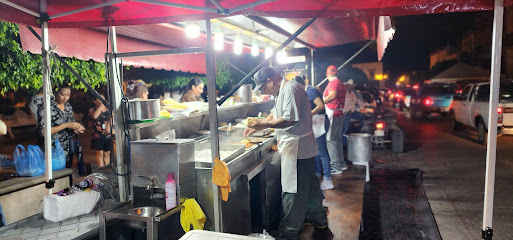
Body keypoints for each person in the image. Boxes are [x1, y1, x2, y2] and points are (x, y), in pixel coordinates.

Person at [245, 67, 328, 239]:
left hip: (298, 148)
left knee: (293, 192)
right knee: (310, 187)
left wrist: (263, 125)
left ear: (270, 80)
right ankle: (319, 220)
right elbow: (276, 114)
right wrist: (258, 125)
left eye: (263, 87)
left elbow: (289, 119)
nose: (263, 91)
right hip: (299, 147)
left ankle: (288, 233)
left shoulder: (290, 88)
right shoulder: (283, 90)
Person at [294, 76, 333, 190]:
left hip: (319, 122)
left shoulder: (310, 91)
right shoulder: (306, 91)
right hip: (315, 122)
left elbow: (320, 105)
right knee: (315, 150)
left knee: (321, 151)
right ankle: (317, 174)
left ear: (300, 85)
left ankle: (328, 179)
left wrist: (307, 114)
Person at [37, 85, 86, 174]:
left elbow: (70, 124)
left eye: (68, 95)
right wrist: (67, 125)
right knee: (56, 175)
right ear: (55, 93)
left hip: (67, 148)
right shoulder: (46, 107)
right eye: (63, 95)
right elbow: (44, 131)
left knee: (67, 174)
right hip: (53, 149)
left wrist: (76, 128)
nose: (65, 98)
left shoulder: (67, 107)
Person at [322, 65, 348, 175]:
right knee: (337, 140)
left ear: (327, 74)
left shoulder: (333, 83)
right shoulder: (341, 83)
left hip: (334, 114)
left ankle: (335, 167)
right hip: (340, 113)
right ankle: (341, 164)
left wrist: (321, 103)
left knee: (330, 141)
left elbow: (333, 95)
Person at [89, 94, 112, 168]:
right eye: (99, 99)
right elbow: (94, 116)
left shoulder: (109, 109)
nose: (102, 100)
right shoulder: (93, 109)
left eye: (103, 99)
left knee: (107, 153)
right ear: (95, 101)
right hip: (98, 134)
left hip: (108, 134)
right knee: (100, 153)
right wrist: (101, 107)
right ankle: (101, 168)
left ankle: (107, 168)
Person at [342, 79, 365, 146]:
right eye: (350, 86)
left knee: (361, 116)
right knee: (345, 126)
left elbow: (358, 101)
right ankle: (344, 142)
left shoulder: (353, 94)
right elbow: (340, 103)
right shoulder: (343, 94)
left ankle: (358, 131)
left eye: (352, 86)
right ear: (347, 86)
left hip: (353, 112)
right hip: (346, 113)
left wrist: (365, 105)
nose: (351, 87)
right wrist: (346, 110)